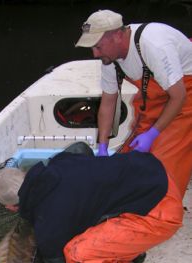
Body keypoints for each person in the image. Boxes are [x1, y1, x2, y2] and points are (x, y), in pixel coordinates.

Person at [0, 146, 183, 263]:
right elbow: (81, 148)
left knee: (77, 254)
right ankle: (131, 252)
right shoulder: (60, 162)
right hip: (156, 175)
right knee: (94, 206)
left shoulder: (48, 221)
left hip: (160, 214)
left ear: (11, 207)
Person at [75, 9, 192, 198]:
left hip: (185, 94)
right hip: (158, 93)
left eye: (98, 46)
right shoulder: (109, 60)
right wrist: (102, 146)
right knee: (131, 159)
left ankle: (163, 212)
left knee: (163, 166)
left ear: (118, 36)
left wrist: (153, 134)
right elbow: (108, 103)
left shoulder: (154, 45)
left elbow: (179, 97)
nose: (95, 54)